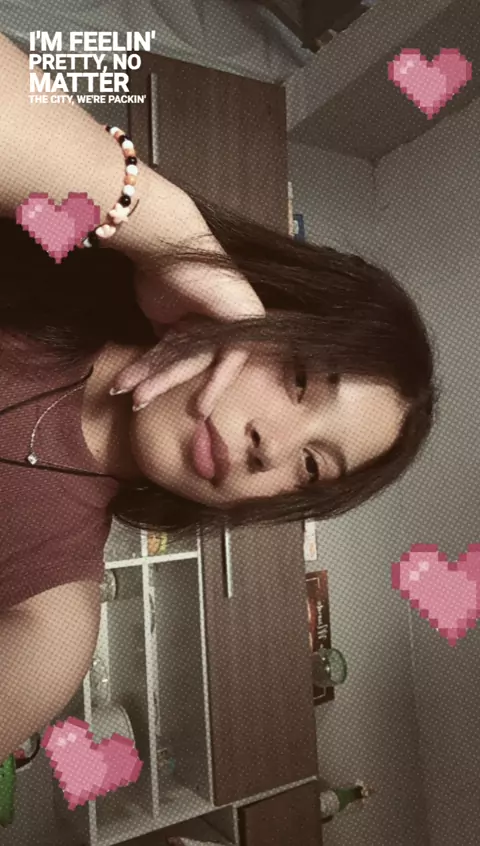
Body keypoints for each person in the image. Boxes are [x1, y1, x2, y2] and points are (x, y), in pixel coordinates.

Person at [0, 33, 436, 768]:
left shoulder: (51, 626)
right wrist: (168, 236)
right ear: (260, 300)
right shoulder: (48, 229)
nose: (272, 448)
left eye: (310, 467)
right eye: (299, 378)